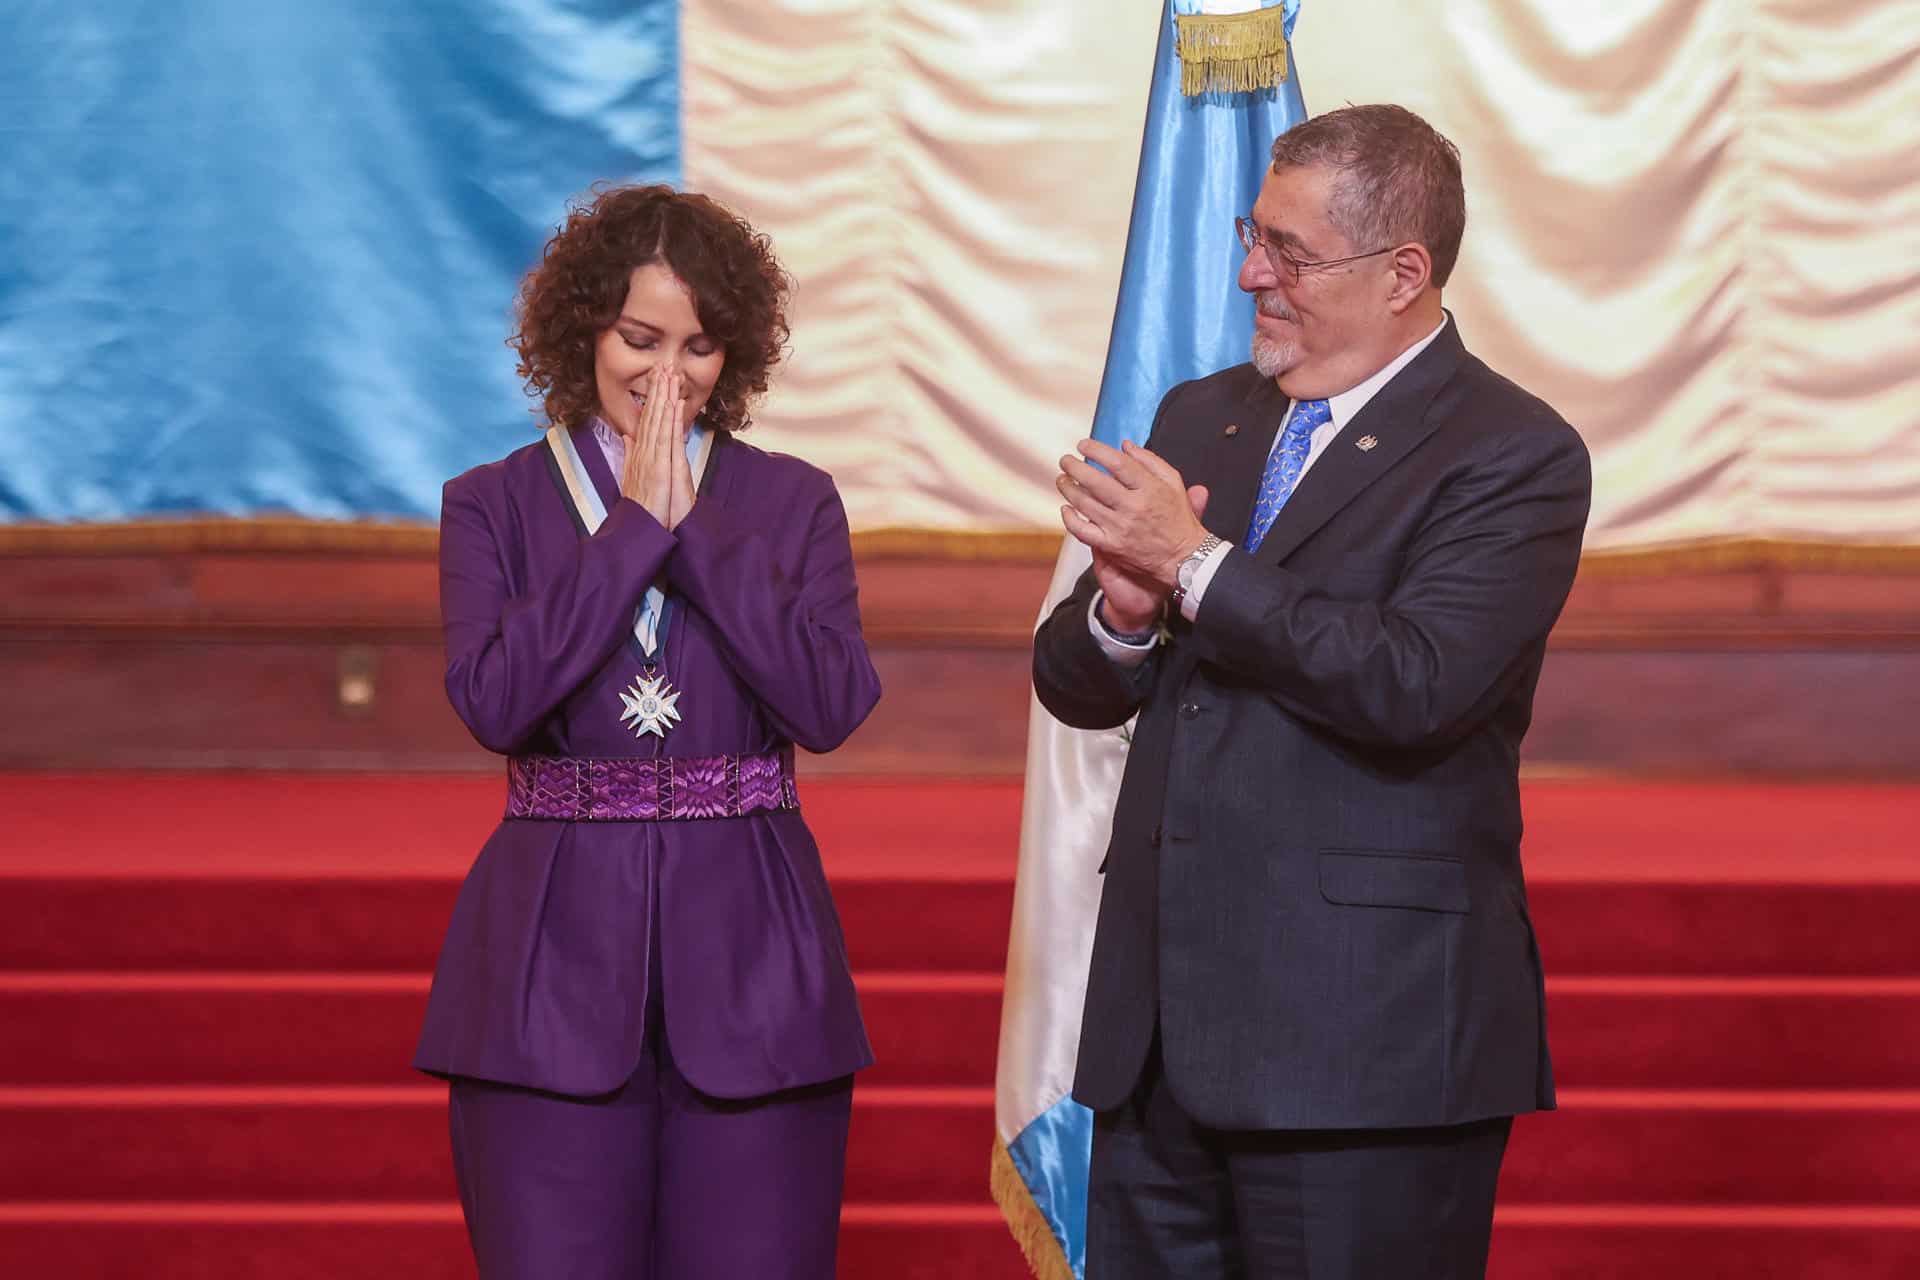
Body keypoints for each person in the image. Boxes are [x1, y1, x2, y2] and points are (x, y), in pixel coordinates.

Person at [1035, 104, 1592, 1278]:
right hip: (1159, 1044)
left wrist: (1189, 567)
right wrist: (1123, 615)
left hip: (1363, 1048)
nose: (1250, 273)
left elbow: (1414, 680)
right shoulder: (1202, 413)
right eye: (1254, 235)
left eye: (1289, 252)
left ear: (1404, 273)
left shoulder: (1512, 450)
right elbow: (1076, 683)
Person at [414, 184, 882, 1279]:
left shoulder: (793, 501)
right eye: (639, 337)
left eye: (701, 346)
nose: (667, 374)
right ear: (583, 327)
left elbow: (830, 703)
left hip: (760, 965)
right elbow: (493, 702)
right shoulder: (491, 503)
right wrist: (631, 531)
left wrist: (699, 535)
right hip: (544, 972)